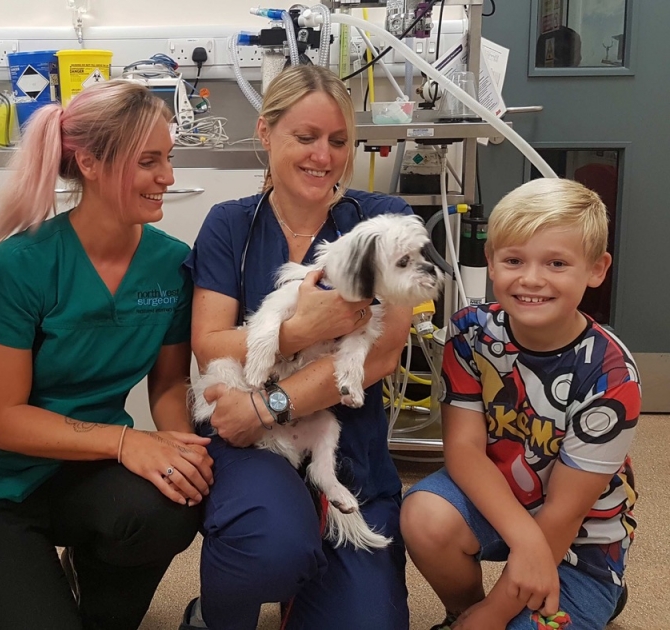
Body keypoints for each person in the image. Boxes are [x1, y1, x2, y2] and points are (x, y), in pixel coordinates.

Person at [0, 79, 213, 630]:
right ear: (88, 163)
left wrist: (180, 449)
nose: (169, 178)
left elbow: (166, 384)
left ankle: (95, 590)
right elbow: (4, 420)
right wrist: (126, 440)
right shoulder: (22, 265)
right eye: (149, 162)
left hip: (87, 467)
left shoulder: (171, 264)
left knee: (169, 504)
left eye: (170, 159)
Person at [180, 64, 414, 629]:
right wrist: (300, 331)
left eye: (338, 141)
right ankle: (219, 613)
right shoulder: (229, 226)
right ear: (266, 133)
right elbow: (209, 343)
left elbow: (382, 353)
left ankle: (310, 592)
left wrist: (271, 403)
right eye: (305, 138)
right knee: (267, 548)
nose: (323, 156)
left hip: (338, 440)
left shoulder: (385, 222)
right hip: (251, 442)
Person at [401, 177, 638, 630]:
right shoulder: (471, 333)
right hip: (503, 507)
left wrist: (494, 615)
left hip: (578, 545)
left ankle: (598, 593)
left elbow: (564, 515)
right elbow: (464, 450)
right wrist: (484, 606)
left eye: (556, 263)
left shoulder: (612, 377)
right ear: (490, 263)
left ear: (596, 268)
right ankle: (465, 610)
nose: (531, 279)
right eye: (514, 260)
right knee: (424, 515)